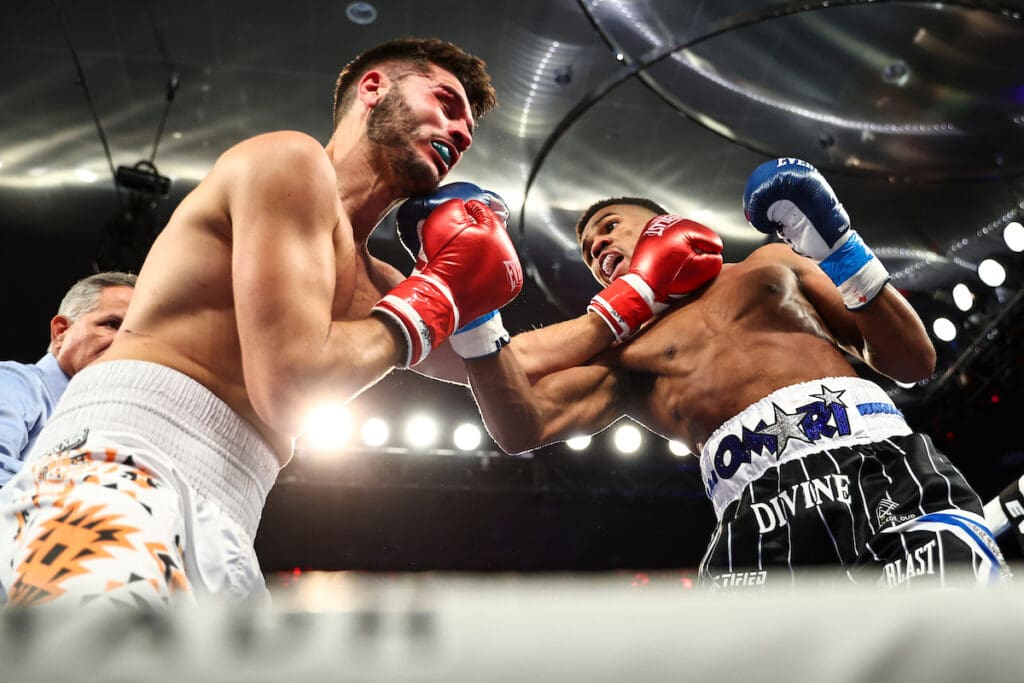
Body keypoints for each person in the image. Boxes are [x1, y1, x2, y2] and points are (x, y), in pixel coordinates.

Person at [0, 37, 542, 608]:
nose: (461, 132)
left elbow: (517, 371)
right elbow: (291, 387)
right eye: (446, 103)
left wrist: (632, 304)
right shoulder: (289, 160)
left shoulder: (377, 284)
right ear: (375, 88)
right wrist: (437, 295)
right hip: (116, 475)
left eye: (468, 129)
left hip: (231, 521)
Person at [466, 157, 1011, 590]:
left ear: (662, 224)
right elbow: (522, 424)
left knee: (955, 635)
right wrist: (470, 309)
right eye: (589, 253)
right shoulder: (622, 354)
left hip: (873, 463)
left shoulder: (771, 265)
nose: (599, 248)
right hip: (754, 512)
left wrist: (841, 251)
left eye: (610, 229)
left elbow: (914, 361)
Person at [0, 271, 135, 486]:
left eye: (134, 334)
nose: (125, 343)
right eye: (112, 324)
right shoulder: (15, 383)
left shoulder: (122, 420)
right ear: (61, 331)